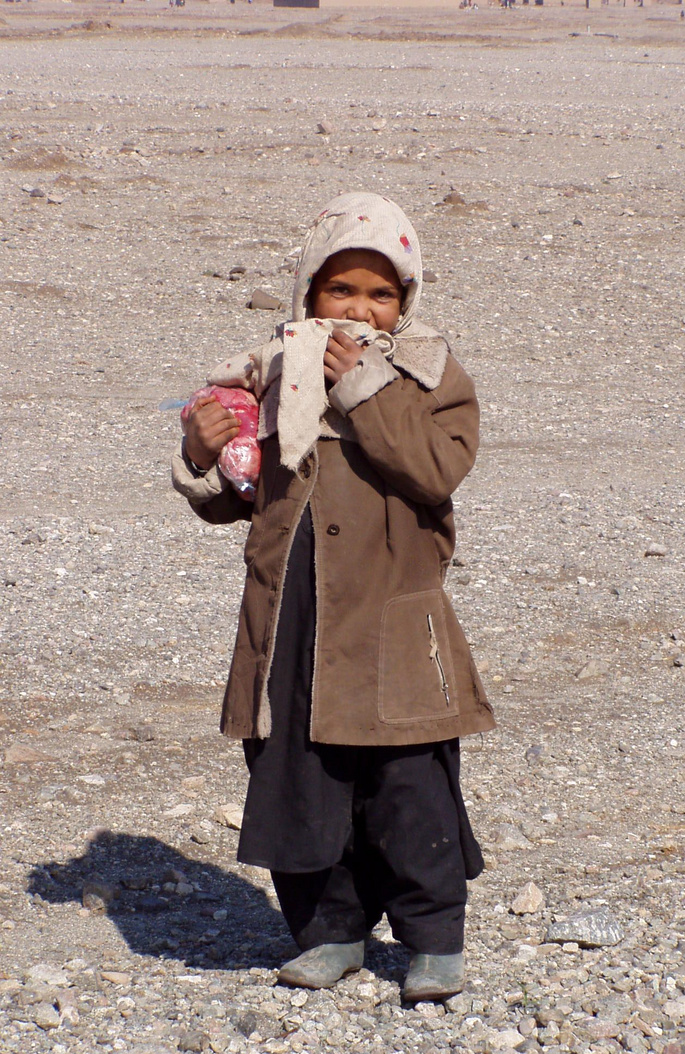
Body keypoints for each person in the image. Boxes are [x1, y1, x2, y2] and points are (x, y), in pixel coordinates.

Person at [171, 192, 495, 1002]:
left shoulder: (427, 371)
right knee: (296, 778)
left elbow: (437, 469)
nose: (358, 309)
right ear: (309, 292)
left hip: (392, 619)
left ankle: (433, 941)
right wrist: (202, 453)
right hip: (292, 618)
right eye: (339, 290)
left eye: (380, 293)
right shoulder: (274, 372)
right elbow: (238, 493)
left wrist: (364, 391)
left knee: (409, 784)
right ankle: (329, 934)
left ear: (406, 300)